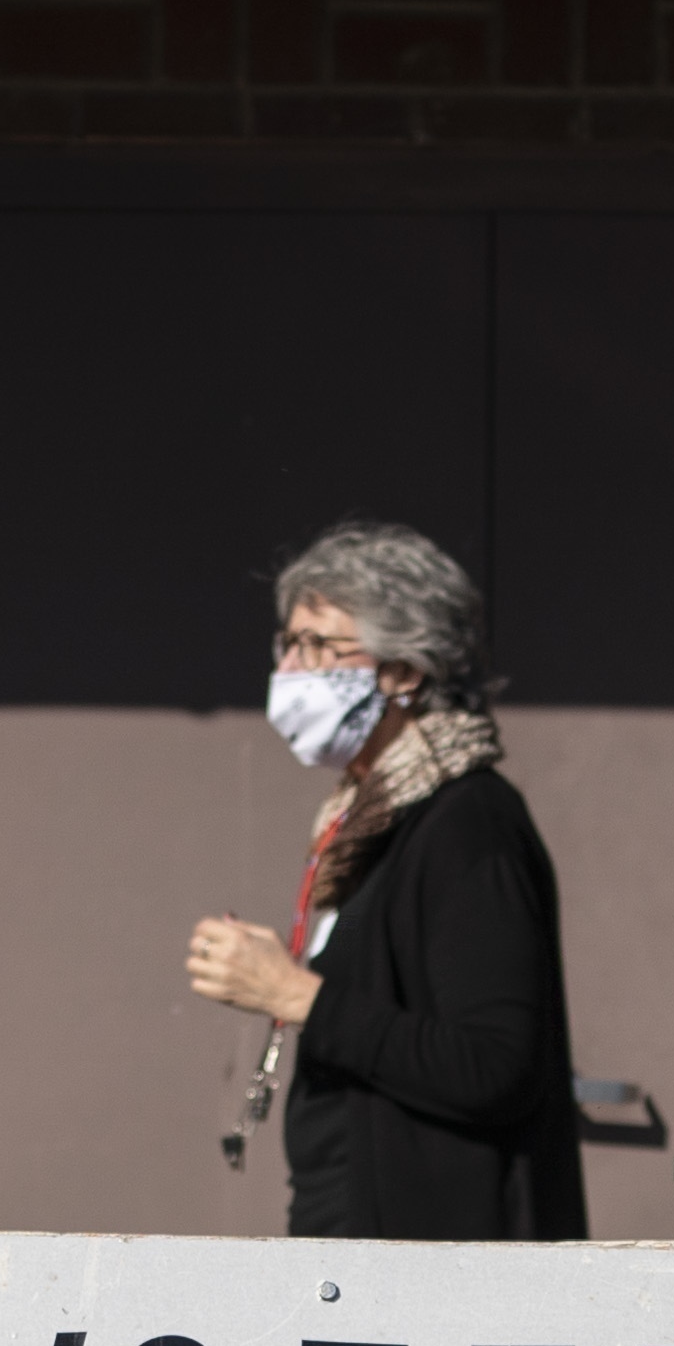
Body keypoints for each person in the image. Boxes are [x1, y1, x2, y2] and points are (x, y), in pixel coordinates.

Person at [178, 522, 588, 1239]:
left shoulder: (468, 823)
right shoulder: (368, 821)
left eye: (318, 645)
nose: (292, 668)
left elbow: (496, 1065)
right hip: (359, 1245)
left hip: (438, 1268)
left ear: (404, 669)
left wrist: (294, 993)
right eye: (288, 644)